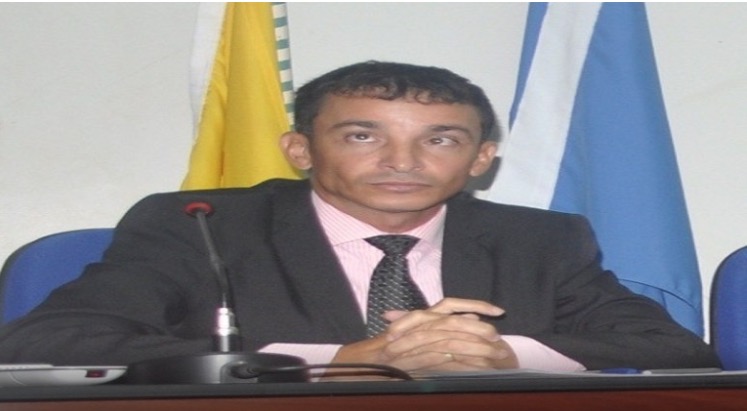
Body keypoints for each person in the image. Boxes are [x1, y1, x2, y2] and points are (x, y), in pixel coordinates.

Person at [0, 61, 719, 375]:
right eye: (362, 135)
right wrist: (341, 360)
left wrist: (507, 354)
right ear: (299, 149)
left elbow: (677, 349)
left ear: (480, 158)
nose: (402, 161)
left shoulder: (538, 238)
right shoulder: (201, 224)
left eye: (440, 140)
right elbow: (50, 341)